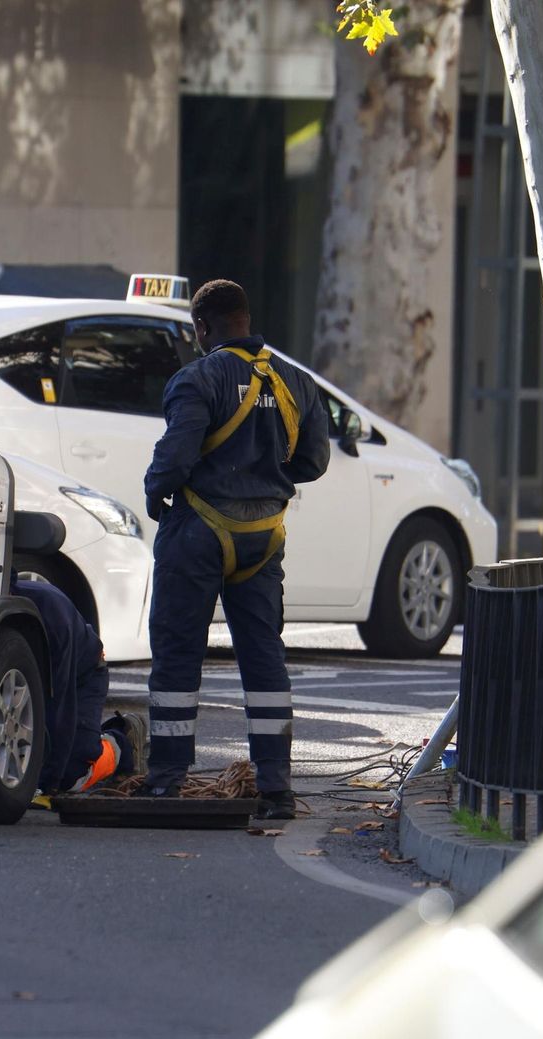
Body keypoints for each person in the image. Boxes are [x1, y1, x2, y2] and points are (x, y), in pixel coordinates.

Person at [140, 279, 331, 819]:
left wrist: (157, 495)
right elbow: (312, 463)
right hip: (264, 537)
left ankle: (167, 781)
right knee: (264, 658)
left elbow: (174, 459)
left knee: (178, 655)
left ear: (202, 328)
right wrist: (267, 478)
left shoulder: (197, 378)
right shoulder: (297, 380)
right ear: (245, 319)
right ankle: (276, 789)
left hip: (199, 529)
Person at [11, 576, 143, 796]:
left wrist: (48, 784)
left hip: (83, 676)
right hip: (36, 681)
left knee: (71, 775)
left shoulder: (50, 615)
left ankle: (121, 743)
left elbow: (61, 707)